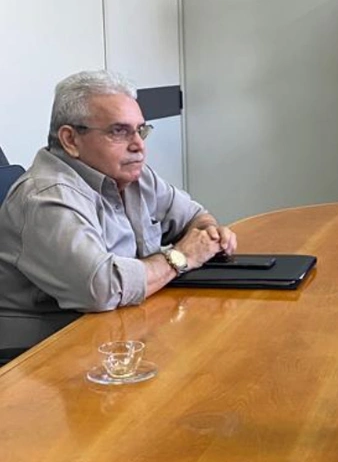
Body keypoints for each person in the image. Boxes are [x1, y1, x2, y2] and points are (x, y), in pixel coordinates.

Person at [0, 70, 237, 358]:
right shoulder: (44, 196)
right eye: (119, 131)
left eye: (141, 130)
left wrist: (210, 232)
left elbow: (194, 216)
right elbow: (102, 288)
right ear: (70, 140)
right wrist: (181, 257)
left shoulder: (133, 174)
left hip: (117, 333)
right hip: (41, 358)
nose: (138, 145)